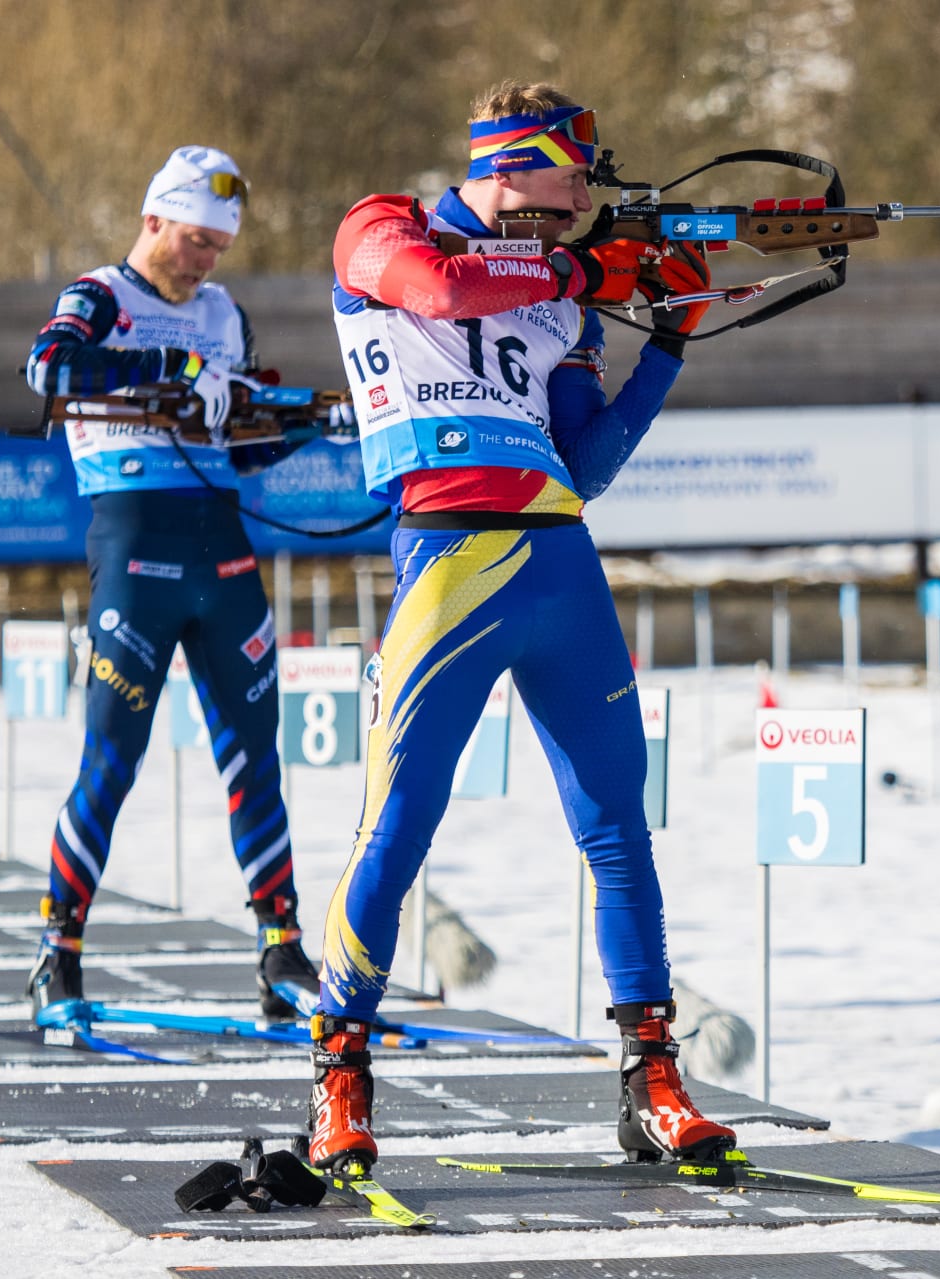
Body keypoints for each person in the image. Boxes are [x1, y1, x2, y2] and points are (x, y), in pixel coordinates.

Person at [307, 80, 730, 1173]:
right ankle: (341, 1075)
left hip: (558, 558)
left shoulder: (564, 299)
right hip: (447, 556)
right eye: (570, 172)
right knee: (397, 826)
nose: (585, 192)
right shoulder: (382, 225)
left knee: (617, 827)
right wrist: (586, 268)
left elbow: (585, 465)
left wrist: (669, 342)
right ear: (508, 164)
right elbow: (441, 290)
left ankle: (653, 1078)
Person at [23, 146, 320, 1020]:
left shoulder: (226, 312)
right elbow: (47, 369)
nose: (205, 260)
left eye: (217, 247)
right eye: (194, 239)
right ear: (154, 219)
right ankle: (58, 955)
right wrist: (169, 370)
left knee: (255, 757)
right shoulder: (101, 296)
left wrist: (315, 423)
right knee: (112, 758)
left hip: (221, 548)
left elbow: (245, 441)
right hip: (135, 542)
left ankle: (282, 951)